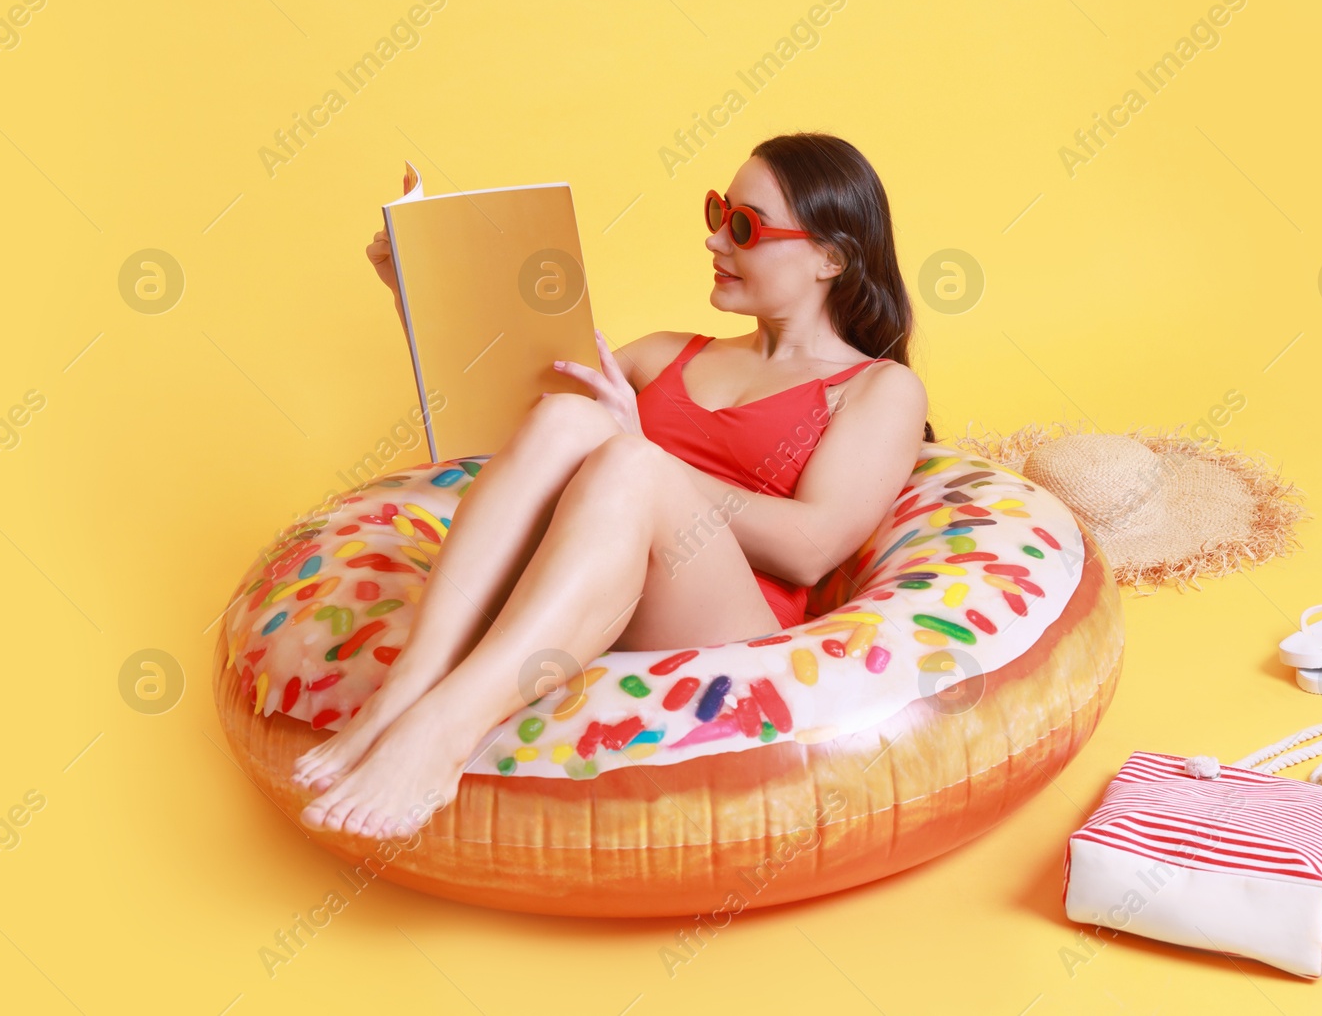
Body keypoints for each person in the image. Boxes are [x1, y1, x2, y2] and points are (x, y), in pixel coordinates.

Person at [293, 132, 932, 838]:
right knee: (568, 415)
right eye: (716, 212)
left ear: (830, 257)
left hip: (734, 630)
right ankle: (407, 691)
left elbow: (811, 546)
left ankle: (445, 731)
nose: (717, 241)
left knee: (628, 461)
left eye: (744, 226)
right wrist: (416, 290)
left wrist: (642, 447)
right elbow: (511, 430)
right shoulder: (666, 351)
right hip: (590, 588)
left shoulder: (878, 388)